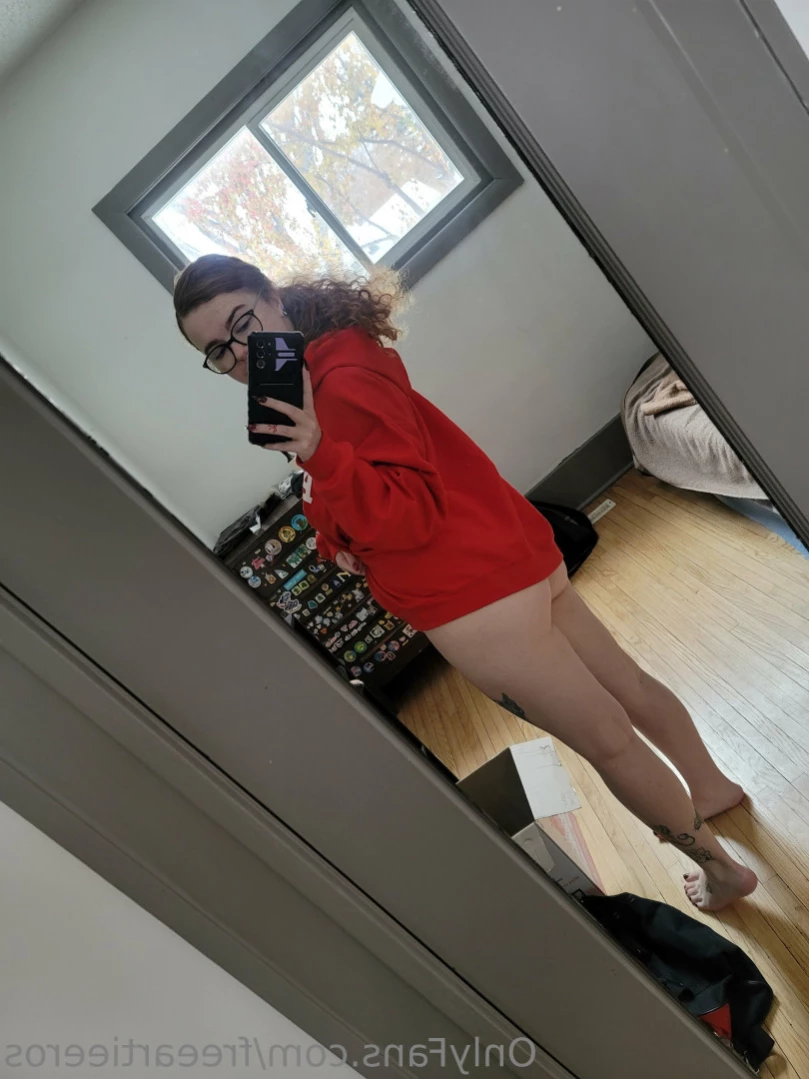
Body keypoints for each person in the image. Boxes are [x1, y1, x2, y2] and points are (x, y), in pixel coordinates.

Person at [173, 253, 756, 912]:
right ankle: (710, 786)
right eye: (216, 350)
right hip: (511, 549)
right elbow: (375, 479)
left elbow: (407, 511)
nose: (239, 353)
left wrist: (317, 452)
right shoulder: (331, 357)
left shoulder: (332, 389)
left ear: (273, 298)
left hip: (473, 601)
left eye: (242, 322)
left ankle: (721, 873)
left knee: (609, 742)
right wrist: (336, 532)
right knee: (628, 685)